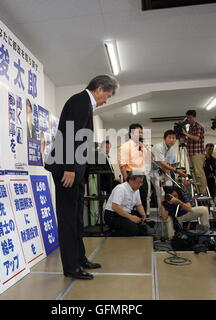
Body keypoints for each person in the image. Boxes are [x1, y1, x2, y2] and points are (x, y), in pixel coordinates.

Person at [45, 75, 118, 280]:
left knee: (76, 219)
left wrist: (80, 174)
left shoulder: (85, 103)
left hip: (75, 171)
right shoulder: (80, 100)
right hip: (66, 170)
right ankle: (71, 267)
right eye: (108, 95)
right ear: (100, 88)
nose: (107, 100)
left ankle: (80, 258)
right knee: (68, 219)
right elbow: (71, 134)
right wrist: (69, 167)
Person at [104, 172, 149, 236]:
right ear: (130, 180)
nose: (140, 185)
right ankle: (112, 234)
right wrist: (131, 217)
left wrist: (144, 215)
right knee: (133, 229)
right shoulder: (121, 188)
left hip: (125, 213)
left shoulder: (136, 190)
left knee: (143, 227)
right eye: (138, 182)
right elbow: (115, 207)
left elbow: (138, 205)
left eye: (141, 182)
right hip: (113, 215)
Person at [119, 123, 150, 216]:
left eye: (141, 132)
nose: (140, 134)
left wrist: (146, 149)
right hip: (131, 175)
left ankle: (143, 221)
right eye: (137, 132)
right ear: (131, 134)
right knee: (130, 201)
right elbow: (122, 165)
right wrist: (126, 179)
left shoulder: (143, 146)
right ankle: (132, 223)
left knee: (143, 199)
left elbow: (149, 160)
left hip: (142, 175)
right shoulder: (125, 146)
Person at [150, 130, 186, 210]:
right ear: (164, 138)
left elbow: (167, 165)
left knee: (169, 187)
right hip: (151, 171)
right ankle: (161, 212)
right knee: (160, 192)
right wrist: (176, 170)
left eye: (174, 138)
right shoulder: (158, 147)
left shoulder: (171, 151)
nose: (172, 140)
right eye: (169, 138)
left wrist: (166, 180)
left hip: (162, 171)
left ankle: (169, 209)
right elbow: (162, 163)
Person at [182, 110, 208, 195]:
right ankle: (198, 190)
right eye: (188, 118)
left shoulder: (198, 127)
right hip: (191, 153)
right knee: (194, 173)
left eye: (190, 117)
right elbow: (189, 139)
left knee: (199, 173)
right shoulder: (190, 128)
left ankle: (203, 191)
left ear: (194, 117)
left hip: (198, 153)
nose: (189, 119)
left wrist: (186, 133)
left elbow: (197, 138)